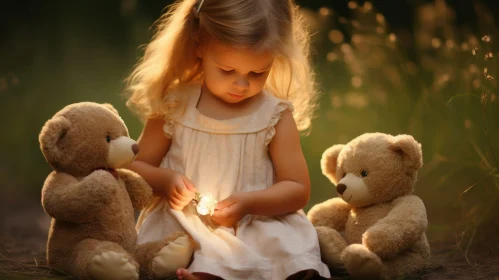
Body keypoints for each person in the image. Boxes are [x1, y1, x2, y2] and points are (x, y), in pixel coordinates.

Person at [125, 0, 330, 279]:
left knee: (284, 246)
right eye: (227, 70)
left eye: (257, 73)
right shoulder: (175, 106)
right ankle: (206, 271)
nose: (242, 85)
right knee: (179, 246)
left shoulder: (274, 116)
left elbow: (296, 189)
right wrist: (165, 180)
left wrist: (249, 204)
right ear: (199, 45)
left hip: (254, 219)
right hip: (184, 220)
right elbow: (136, 169)